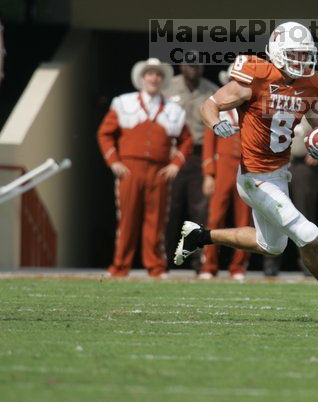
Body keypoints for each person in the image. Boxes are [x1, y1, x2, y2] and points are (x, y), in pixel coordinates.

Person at [174, 21, 318, 319]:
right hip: (254, 177)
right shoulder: (256, 75)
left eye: (306, 54)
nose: (302, 60)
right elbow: (208, 105)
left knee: (271, 245)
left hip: (280, 175)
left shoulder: (311, 83)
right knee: (308, 233)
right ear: (278, 52)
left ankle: (200, 237)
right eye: (295, 53)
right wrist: (217, 123)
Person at [97, 58, 193, 277]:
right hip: (130, 169)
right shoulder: (123, 102)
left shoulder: (173, 109)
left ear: (163, 80)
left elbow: (187, 140)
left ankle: (156, 266)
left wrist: (175, 164)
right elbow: (104, 133)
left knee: (157, 220)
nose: (154, 78)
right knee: (127, 218)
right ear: (142, 78)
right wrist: (114, 162)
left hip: (159, 171)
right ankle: (120, 266)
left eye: (158, 75)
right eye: (150, 74)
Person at [262, 110, 318, 277]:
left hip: (303, 166)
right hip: (277, 163)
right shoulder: (275, 98)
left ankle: (309, 264)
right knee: (273, 210)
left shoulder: (312, 100)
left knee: (304, 214)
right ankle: (271, 262)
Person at [163, 59, 219, 270]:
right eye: (189, 64)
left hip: (199, 153)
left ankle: (199, 262)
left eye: (197, 65)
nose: (193, 68)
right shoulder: (168, 88)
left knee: (201, 211)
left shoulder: (211, 91)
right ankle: (164, 261)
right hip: (173, 153)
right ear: (181, 66)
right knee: (169, 209)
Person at [200, 66, 252, 280]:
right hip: (223, 168)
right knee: (215, 216)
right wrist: (209, 174)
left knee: (244, 218)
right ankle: (209, 266)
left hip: (247, 167)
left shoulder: (252, 109)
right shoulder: (218, 107)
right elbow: (208, 143)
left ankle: (238, 267)